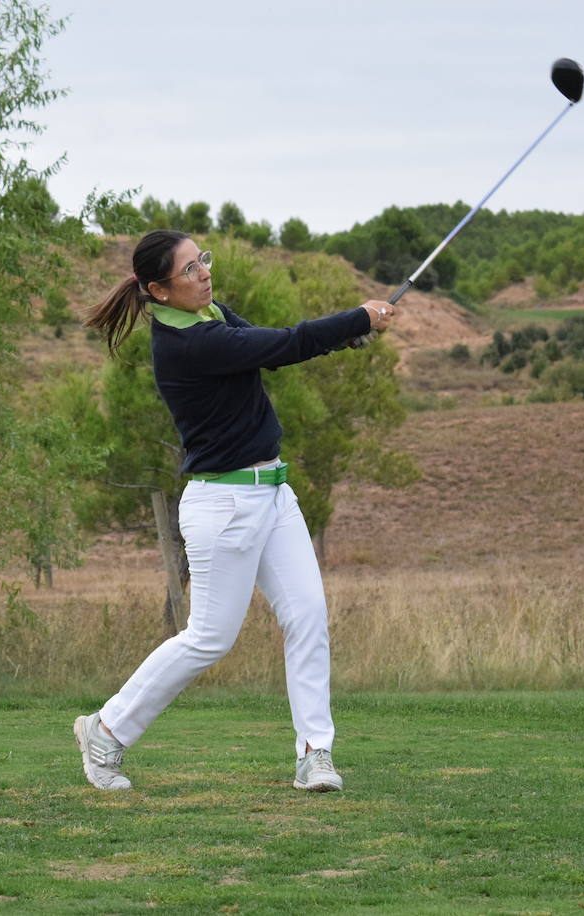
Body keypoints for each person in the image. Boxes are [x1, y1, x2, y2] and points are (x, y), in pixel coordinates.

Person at [76, 229, 397, 792]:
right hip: (222, 504)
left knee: (307, 619)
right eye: (189, 270)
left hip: (273, 493)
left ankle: (314, 754)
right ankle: (105, 729)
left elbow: (275, 345)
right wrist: (358, 319)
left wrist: (348, 335)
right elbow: (280, 345)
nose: (204, 272)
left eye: (203, 260)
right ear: (159, 290)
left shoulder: (209, 316)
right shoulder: (189, 346)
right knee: (209, 638)